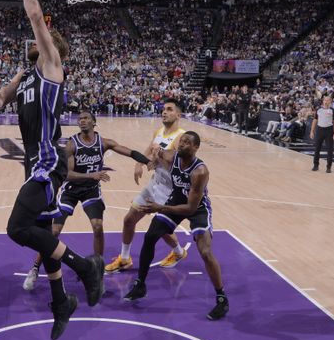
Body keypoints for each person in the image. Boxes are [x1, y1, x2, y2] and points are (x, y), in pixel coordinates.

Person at [0, 0, 104, 340]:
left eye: (42, 38)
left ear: (51, 46)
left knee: (17, 228)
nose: (34, 40)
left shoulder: (51, 66)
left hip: (49, 162)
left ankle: (85, 268)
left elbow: (35, 15)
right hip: (34, 163)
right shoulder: (25, 74)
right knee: (43, 234)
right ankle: (60, 301)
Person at [22, 110, 151, 291]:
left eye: (85, 118)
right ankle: (35, 268)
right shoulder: (72, 145)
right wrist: (92, 175)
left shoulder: (104, 143)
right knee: (54, 231)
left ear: (94, 122)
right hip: (71, 191)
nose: (81, 121)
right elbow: (67, 174)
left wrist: (146, 161)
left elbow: (129, 152)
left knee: (98, 227)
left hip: (91, 191)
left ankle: (97, 273)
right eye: (80, 119)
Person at [123, 132, 228, 321]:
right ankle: (140, 285)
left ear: (196, 148)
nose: (182, 144)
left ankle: (221, 298)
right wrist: (147, 161)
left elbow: (190, 208)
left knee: (205, 251)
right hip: (176, 199)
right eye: (181, 141)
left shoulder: (200, 171)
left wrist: (160, 207)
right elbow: (154, 153)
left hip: (197, 208)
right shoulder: (171, 156)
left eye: (188, 143)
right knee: (150, 236)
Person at [105, 99, 187, 274]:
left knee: (161, 229)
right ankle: (125, 258)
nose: (164, 112)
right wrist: (139, 163)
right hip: (154, 184)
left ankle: (179, 252)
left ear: (178, 115)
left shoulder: (182, 137)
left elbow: (179, 164)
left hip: (170, 190)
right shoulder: (159, 131)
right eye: (163, 109)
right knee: (129, 220)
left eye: (169, 109)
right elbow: (149, 149)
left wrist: (159, 156)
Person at [310, 95, 334, 173]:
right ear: (323, 101)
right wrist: (312, 131)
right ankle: (316, 165)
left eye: (328, 100)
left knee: (330, 149)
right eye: (325, 100)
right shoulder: (318, 110)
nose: (326, 101)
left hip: (329, 130)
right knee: (317, 148)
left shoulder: (333, 110)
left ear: (330, 101)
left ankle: (328, 167)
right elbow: (315, 120)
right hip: (319, 130)